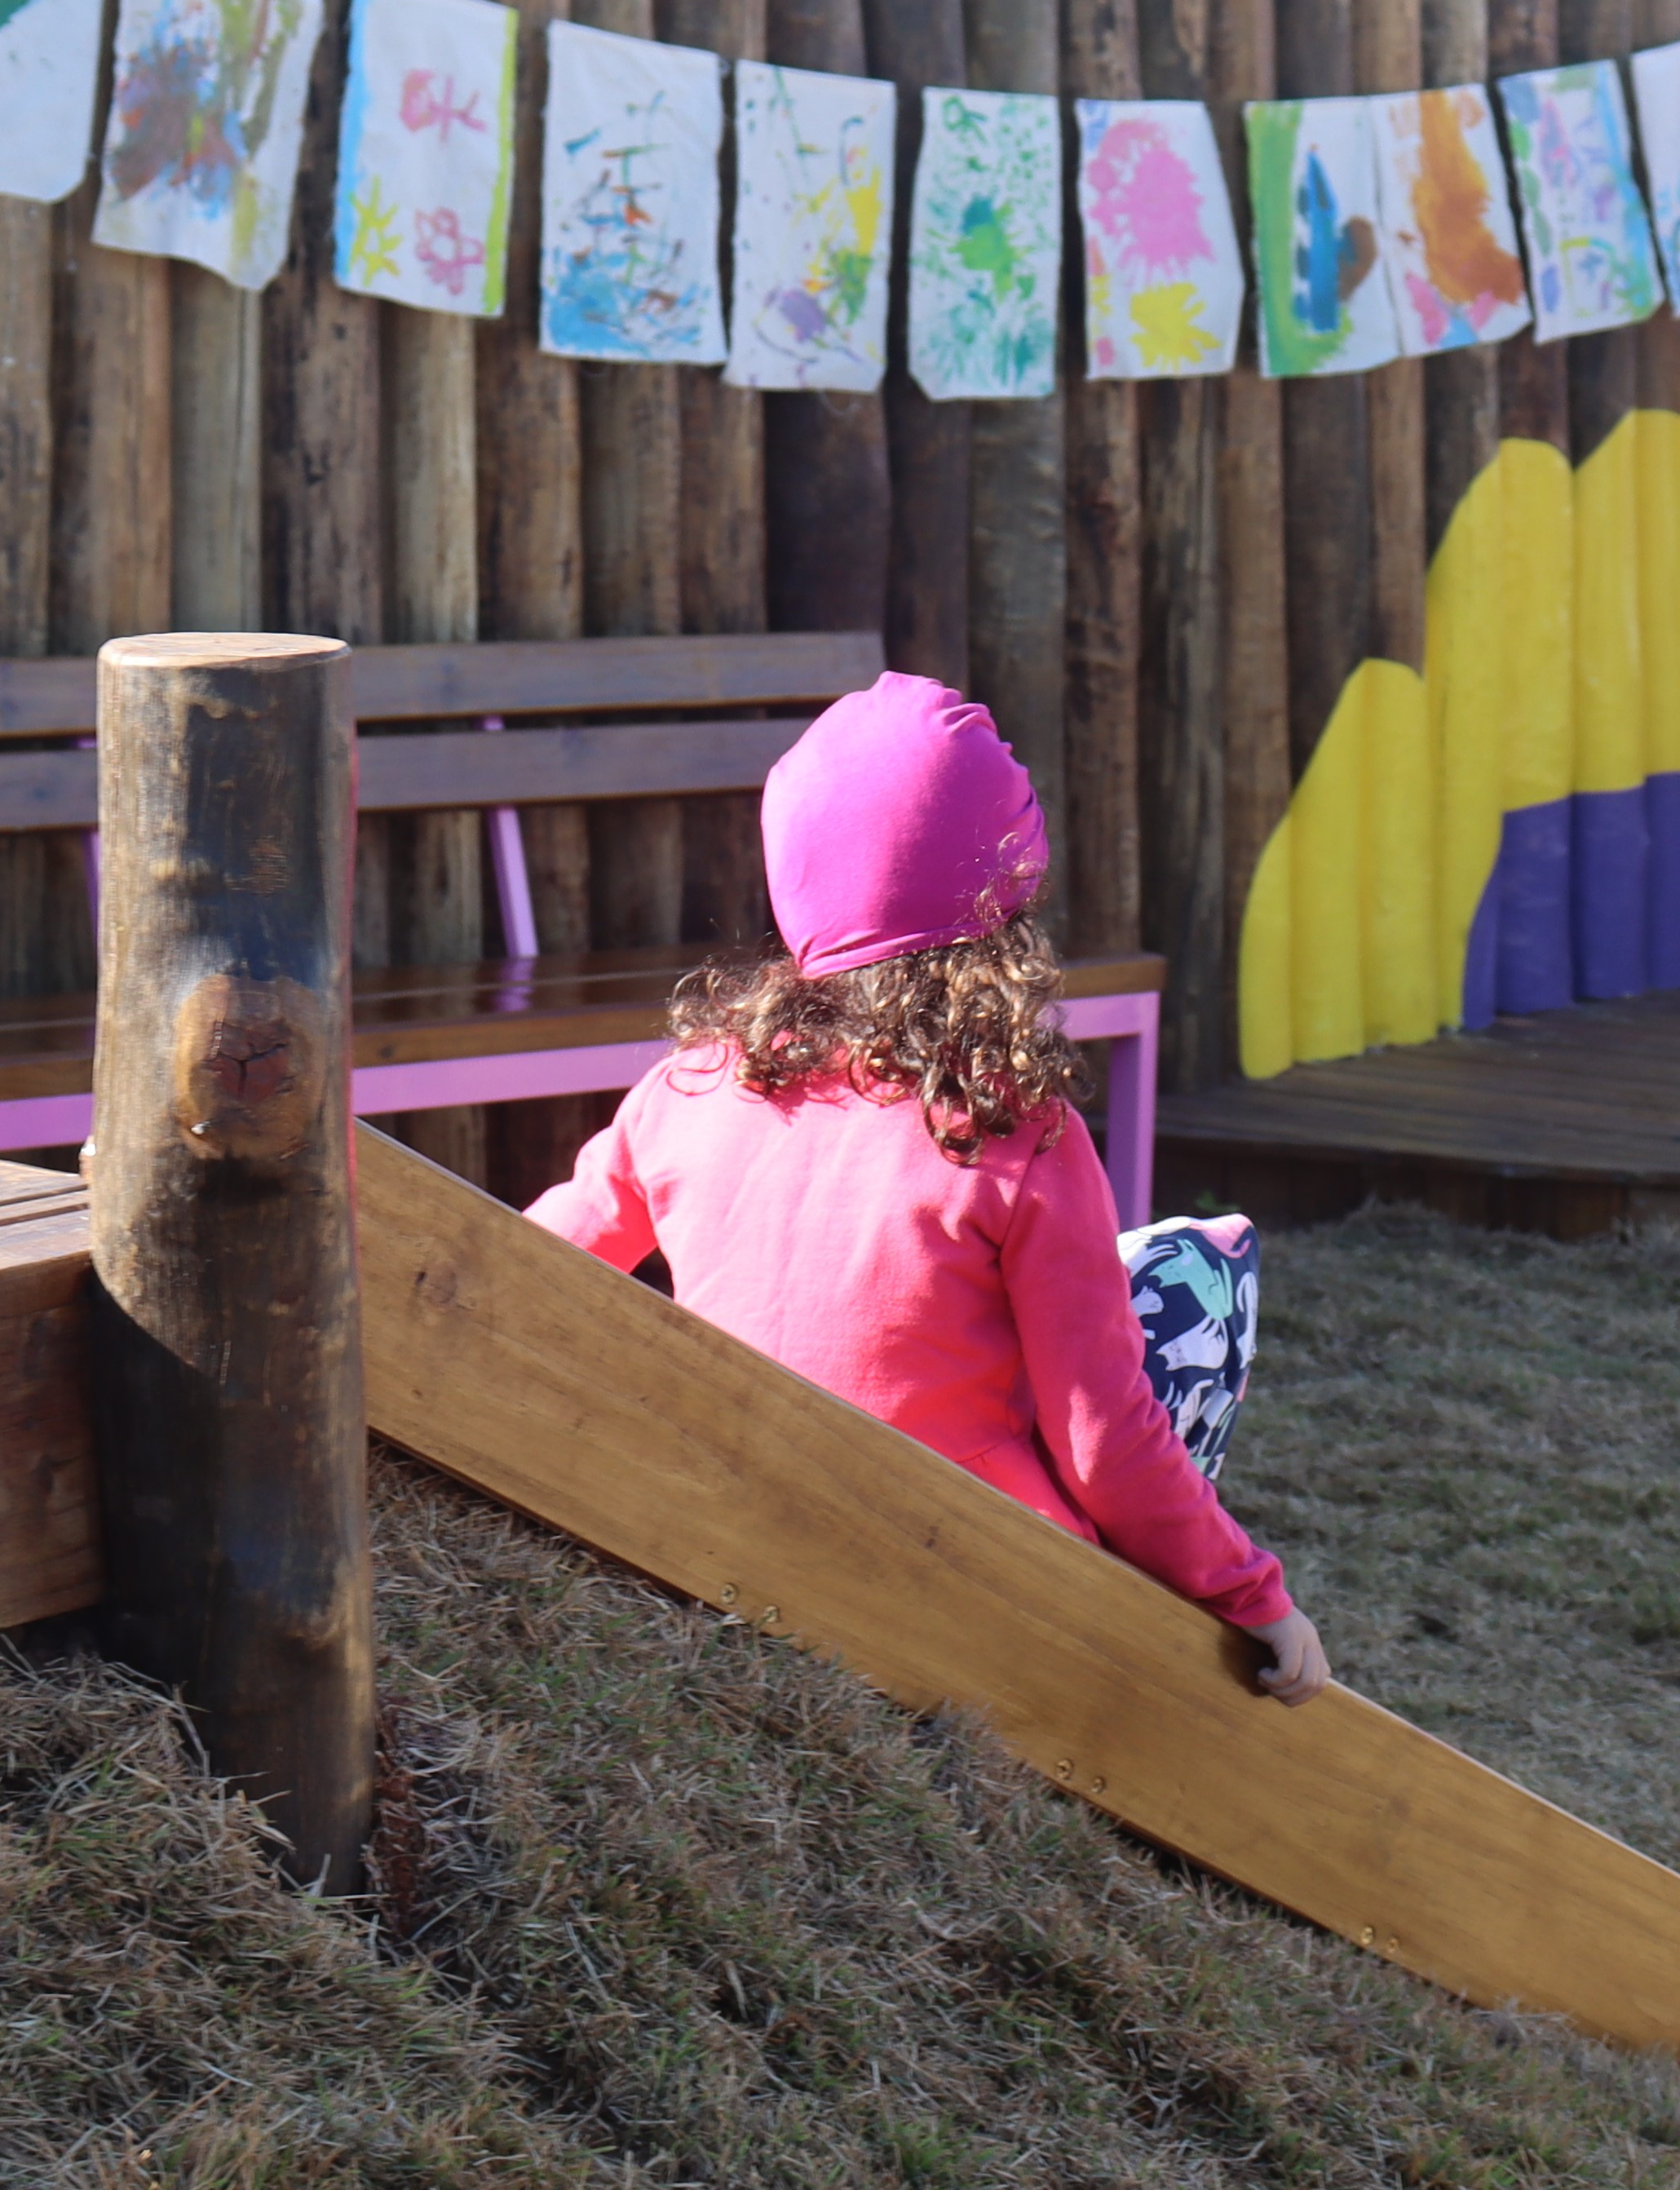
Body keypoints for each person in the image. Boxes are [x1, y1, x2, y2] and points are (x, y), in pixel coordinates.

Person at [524, 673, 1329, 1705]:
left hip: (728, 1534)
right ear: (1009, 899)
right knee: (1194, 1272)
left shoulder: (686, 1089)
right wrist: (1253, 1594)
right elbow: (1104, 1437)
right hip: (978, 1583)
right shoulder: (1017, 1132)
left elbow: (539, 1267)